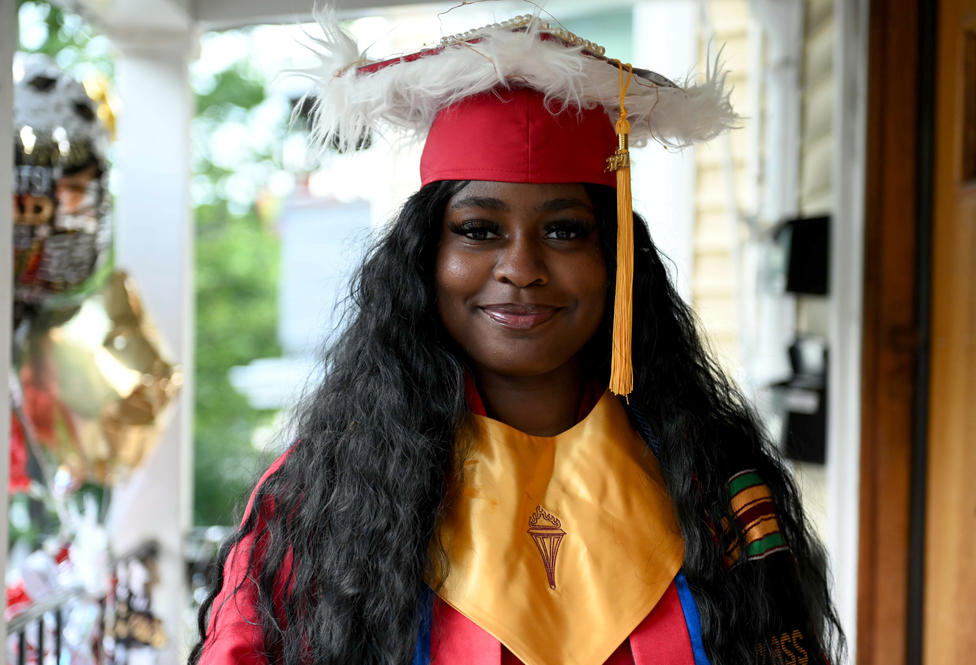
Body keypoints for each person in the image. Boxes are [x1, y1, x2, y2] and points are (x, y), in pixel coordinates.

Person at [190, 13, 842, 665]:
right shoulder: (324, 496)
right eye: (479, 229)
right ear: (423, 256)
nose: (521, 267)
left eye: (565, 231)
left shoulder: (710, 482)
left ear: (617, 259)